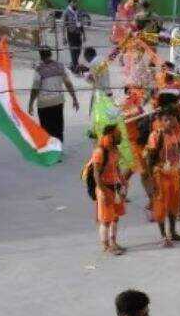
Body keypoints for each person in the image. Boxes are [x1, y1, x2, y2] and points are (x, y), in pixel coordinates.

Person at [146, 93, 180, 246]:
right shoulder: (156, 136)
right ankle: (164, 236)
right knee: (161, 206)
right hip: (160, 175)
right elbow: (150, 159)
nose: (170, 122)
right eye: (166, 119)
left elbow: (179, 155)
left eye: (172, 118)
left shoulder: (175, 134)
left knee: (174, 204)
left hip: (174, 173)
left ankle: (173, 231)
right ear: (161, 121)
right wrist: (152, 182)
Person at [88, 123, 129, 255]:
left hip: (115, 188)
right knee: (105, 220)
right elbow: (96, 174)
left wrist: (123, 183)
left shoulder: (114, 150)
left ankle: (113, 242)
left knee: (115, 217)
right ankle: (106, 246)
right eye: (118, 134)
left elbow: (117, 169)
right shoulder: (99, 152)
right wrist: (103, 192)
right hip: (105, 188)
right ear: (110, 135)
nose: (120, 136)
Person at [28, 47, 79, 144]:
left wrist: (30, 104)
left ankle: (50, 150)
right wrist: (74, 99)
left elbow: (35, 89)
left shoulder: (39, 69)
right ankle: (58, 149)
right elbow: (68, 83)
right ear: (51, 54)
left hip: (44, 104)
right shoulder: (59, 66)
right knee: (58, 127)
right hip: (58, 102)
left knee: (46, 128)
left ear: (41, 56)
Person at [64, 0, 86, 70]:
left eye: (76, 2)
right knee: (73, 51)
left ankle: (74, 64)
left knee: (78, 50)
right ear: (70, 3)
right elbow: (64, 25)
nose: (75, 3)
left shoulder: (78, 11)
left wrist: (84, 35)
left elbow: (81, 23)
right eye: (73, 2)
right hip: (71, 34)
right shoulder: (66, 12)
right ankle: (75, 66)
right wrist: (63, 37)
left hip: (78, 34)